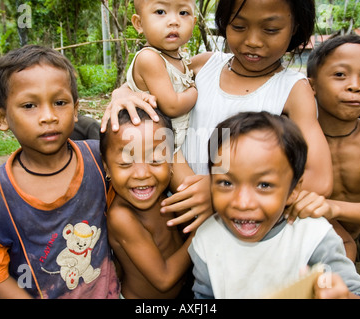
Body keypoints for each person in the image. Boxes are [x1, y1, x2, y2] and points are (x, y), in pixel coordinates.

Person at [101, 0, 333, 225]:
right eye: (239, 26)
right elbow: (149, 81)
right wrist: (121, 93)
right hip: (174, 211)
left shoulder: (292, 88)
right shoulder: (203, 66)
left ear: (295, 28)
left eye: (270, 29)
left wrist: (222, 191)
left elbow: (319, 180)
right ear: (224, 22)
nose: (252, 41)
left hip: (242, 224)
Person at [0, 45, 120, 299]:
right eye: (30, 105)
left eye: (60, 102)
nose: (48, 116)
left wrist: (126, 92)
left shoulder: (100, 160)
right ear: (2, 118)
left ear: (75, 109)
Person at [188, 111, 360, 299]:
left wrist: (345, 296)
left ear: (293, 191)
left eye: (264, 185)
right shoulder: (207, 241)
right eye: (226, 183)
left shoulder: (313, 238)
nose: (243, 202)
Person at [302, 34, 360, 273]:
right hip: (304, 240)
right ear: (311, 85)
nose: (355, 85)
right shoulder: (294, 134)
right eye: (340, 74)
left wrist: (331, 208)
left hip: (351, 242)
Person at [100, 108, 194, 298]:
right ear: (106, 167)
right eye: (126, 163)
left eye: (155, 160)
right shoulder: (122, 217)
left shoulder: (164, 195)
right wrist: (201, 232)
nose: (142, 174)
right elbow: (164, 279)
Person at [128, 0, 198, 155]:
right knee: (189, 180)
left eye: (183, 13)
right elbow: (172, 106)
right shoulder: (149, 58)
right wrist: (195, 91)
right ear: (139, 23)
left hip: (177, 141)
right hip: (160, 147)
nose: (174, 21)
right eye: (160, 12)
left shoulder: (180, 58)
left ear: (193, 24)